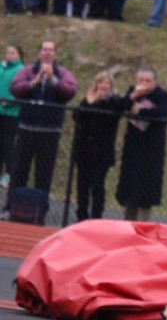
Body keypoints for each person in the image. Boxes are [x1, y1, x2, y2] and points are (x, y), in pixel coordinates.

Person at [6, 40, 78, 206]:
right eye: (44, 49)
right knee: (19, 171)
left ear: (55, 54)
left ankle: (40, 209)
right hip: (26, 129)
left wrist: (53, 80)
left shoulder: (63, 73)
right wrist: (34, 82)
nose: (47, 53)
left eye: (51, 50)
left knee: (44, 174)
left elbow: (70, 92)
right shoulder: (28, 71)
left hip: (50, 132)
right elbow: (15, 88)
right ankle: (11, 206)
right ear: (39, 53)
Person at [114, 67, 167, 221]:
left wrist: (139, 111)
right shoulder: (133, 92)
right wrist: (133, 96)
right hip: (132, 147)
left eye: (148, 81)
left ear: (154, 83)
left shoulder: (162, 96)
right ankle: (127, 226)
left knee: (145, 192)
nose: (143, 84)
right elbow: (118, 107)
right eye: (141, 80)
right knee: (129, 190)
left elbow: (160, 115)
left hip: (151, 150)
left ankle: (142, 228)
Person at [71, 71, 122, 221]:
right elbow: (77, 117)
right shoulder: (88, 99)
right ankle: (81, 215)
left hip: (101, 153)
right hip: (84, 150)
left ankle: (96, 217)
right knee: (82, 185)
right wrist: (90, 103)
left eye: (107, 83)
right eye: (101, 82)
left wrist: (100, 102)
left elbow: (109, 120)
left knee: (97, 186)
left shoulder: (114, 102)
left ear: (111, 86)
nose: (103, 86)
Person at [0, 45, 24, 190]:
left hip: (12, 112)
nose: (9, 55)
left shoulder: (21, 70)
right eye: (8, 52)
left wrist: (10, 101)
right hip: (0, 111)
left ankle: (8, 173)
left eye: (13, 53)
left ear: (19, 55)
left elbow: (20, 90)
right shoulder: (2, 68)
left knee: (8, 144)